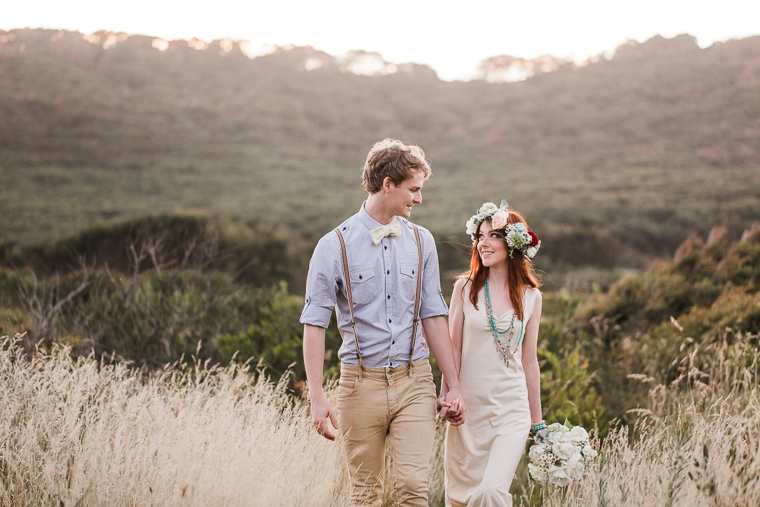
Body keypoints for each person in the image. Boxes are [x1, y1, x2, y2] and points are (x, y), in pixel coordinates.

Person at [301, 138, 466, 507]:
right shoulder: (333, 245)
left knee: (412, 489)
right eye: (414, 189)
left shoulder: (423, 242)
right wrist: (316, 396)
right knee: (366, 495)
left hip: (415, 381)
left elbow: (433, 315)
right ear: (388, 184)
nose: (419, 199)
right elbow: (315, 324)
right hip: (359, 386)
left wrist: (451, 383)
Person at [442, 200, 545, 507]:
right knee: (463, 498)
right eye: (479, 236)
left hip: (512, 412)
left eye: (492, 236)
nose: (482, 243)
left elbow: (529, 361)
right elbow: (453, 349)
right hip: (469, 411)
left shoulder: (532, 297)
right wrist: (448, 397)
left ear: (513, 245)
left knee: (490, 494)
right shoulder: (464, 288)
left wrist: (537, 424)